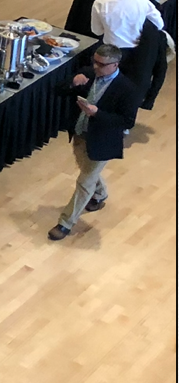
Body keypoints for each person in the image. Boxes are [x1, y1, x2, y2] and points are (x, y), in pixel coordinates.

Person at [47, 45, 140, 241]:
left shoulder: (128, 89)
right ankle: (100, 195)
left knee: (84, 181)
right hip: (80, 134)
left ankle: (65, 223)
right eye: (94, 61)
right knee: (85, 168)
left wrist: (97, 113)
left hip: (102, 142)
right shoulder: (88, 74)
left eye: (101, 64)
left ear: (115, 65)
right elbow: (57, 90)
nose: (96, 67)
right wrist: (72, 82)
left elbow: (126, 121)